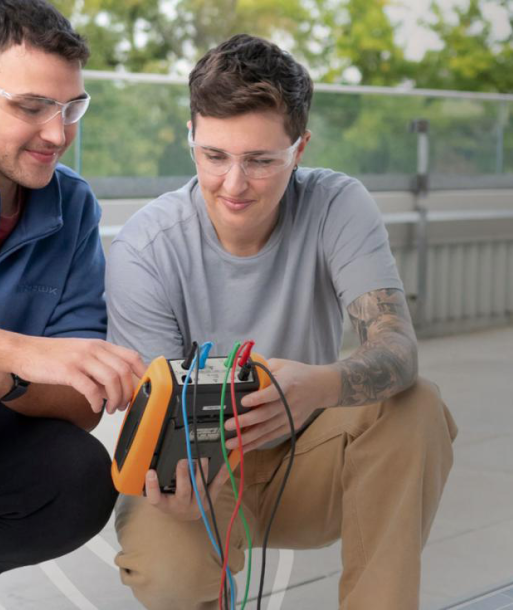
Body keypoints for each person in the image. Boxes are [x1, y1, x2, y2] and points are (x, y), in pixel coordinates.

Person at [107, 34, 457, 610]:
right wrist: (185, 493)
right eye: (214, 155)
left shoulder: (336, 204)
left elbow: (397, 349)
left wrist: (316, 387)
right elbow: (158, 419)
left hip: (309, 462)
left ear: (300, 149)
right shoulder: (145, 247)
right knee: (171, 575)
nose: (234, 184)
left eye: (262, 160)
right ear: (190, 135)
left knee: (416, 404)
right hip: (197, 471)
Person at [0, 0, 145, 573]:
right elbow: (50, 360)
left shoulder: (72, 204)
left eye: (70, 107)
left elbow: (81, 403)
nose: (57, 133)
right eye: (32, 107)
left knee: (79, 476)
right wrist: (22, 351)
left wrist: (10, 378)